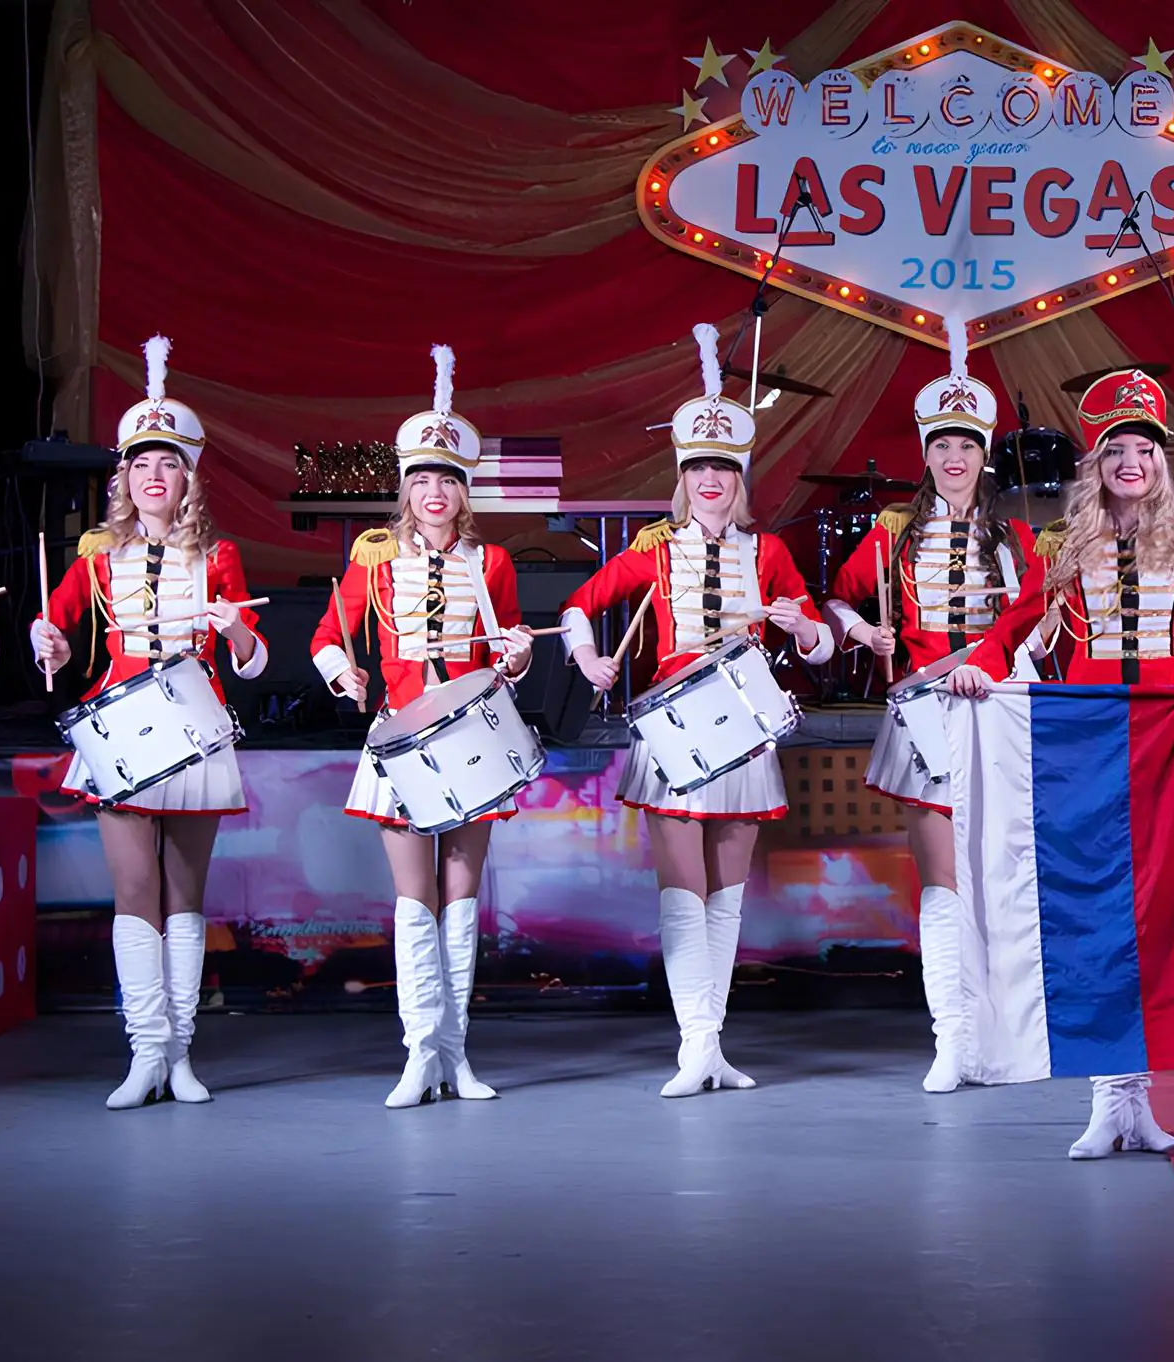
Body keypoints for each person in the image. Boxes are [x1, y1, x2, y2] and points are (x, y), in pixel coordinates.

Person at [951, 368, 1174, 1159]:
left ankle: (1141, 1098)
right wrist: (981, 664)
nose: (1132, 462)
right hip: (1086, 747)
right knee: (1097, 913)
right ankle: (1110, 1100)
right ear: (1096, 465)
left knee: (1165, 914)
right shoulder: (1063, 546)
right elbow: (1015, 625)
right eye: (1116, 451)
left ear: (1160, 463)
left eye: (1145, 449)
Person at [560, 323, 832, 1098]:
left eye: (724, 466)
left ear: (740, 477)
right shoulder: (651, 549)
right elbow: (580, 607)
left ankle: (712, 1044)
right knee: (682, 891)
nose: (711, 477)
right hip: (672, 730)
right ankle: (694, 1045)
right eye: (699, 466)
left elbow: (816, 651)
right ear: (683, 475)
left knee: (728, 894)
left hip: (746, 730)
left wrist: (802, 627)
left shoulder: (769, 552)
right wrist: (587, 657)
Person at [33, 336, 270, 1109]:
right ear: (124, 478)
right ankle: (145, 1053)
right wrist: (50, 639)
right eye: (140, 464)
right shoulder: (96, 558)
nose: (153, 476)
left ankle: (181, 1055)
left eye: (167, 464)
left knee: (184, 894)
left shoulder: (222, 555)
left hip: (197, 732)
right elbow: (59, 635)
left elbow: (254, 657)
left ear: (187, 479)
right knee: (135, 891)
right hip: (120, 734)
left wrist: (236, 630)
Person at [311, 345, 535, 1107]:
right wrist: (344, 673)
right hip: (399, 738)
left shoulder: (493, 561)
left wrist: (515, 659)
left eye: (447, 478)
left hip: (471, 743)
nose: (434, 490)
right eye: (421, 478)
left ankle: (457, 1056)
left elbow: (503, 653)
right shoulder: (371, 564)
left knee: (463, 900)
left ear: (463, 490)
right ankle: (418, 1055)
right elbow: (325, 637)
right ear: (404, 489)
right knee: (416, 902)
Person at [823, 318, 1036, 1094]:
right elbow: (838, 601)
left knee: (1000, 881)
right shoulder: (891, 536)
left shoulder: (1016, 537)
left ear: (984, 455)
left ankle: (1004, 1035)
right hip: (921, 714)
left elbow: (1040, 621)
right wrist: (861, 629)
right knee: (943, 883)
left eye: (968, 446)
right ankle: (952, 1040)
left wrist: (1002, 655)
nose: (954, 459)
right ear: (928, 454)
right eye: (943, 446)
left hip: (1002, 717)